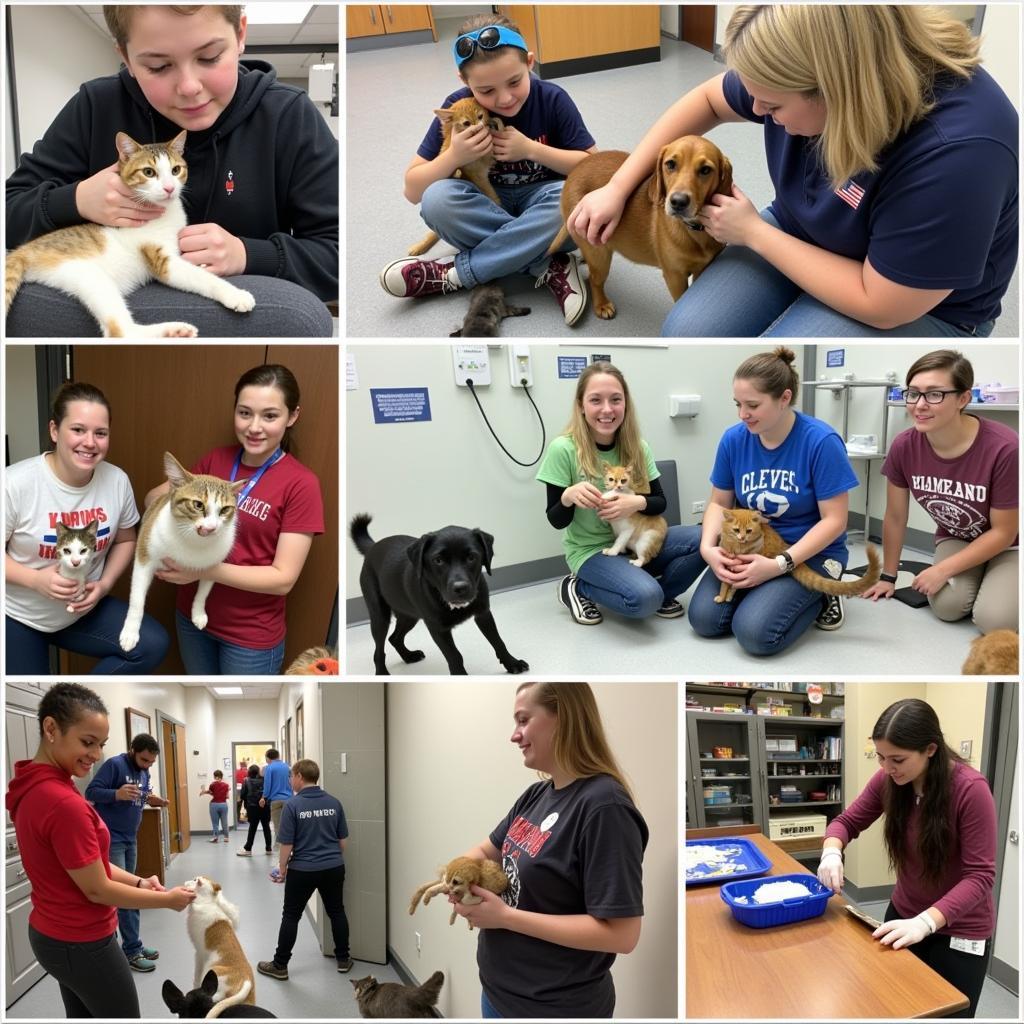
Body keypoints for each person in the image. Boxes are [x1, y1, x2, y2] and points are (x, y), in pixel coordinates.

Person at [568, 5, 1018, 338]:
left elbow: (882, 304)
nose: (757, 112)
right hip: (805, 231)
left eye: (773, 106)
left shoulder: (960, 151)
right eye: (754, 98)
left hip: (914, 304)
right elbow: (707, 101)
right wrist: (619, 184)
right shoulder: (799, 76)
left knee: (779, 360)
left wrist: (754, 234)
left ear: (837, 89)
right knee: (688, 335)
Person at [5, 4, 337, 338]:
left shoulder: (288, 116)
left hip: (241, 315)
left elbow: (337, 253)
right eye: (159, 66)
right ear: (126, 57)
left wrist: (250, 254)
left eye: (208, 57)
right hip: (106, 291)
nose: (189, 87)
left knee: (297, 319)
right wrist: (74, 200)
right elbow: (10, 209)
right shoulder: (95, 106)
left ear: (239, 36)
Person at [379, 13, 597, 326]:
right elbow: (413, 191)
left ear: (530, 63)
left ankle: (455, 272)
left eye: (514, 82)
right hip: (490, 205)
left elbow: (593, 166)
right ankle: (546, 261)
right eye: (486, 91)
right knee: (438, 200)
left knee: (574, 198)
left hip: (542, 200)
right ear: (465, 83)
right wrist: (453, 155)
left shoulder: (553, 99)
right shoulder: (457, 108)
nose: (505, 99)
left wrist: (531, 149)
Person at [450, 682, 647, 1018]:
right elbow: (485, 851)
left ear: (563, 718)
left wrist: (505, 918)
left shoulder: (604, 807)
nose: (515, 735)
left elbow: (622, 935)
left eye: (523, 720)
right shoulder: (536, 795)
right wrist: (455, 879)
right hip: (499, 994)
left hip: (554, 1007)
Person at [5, 683, 195, 1019]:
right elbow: (96, 888)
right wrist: (167, 900)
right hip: (81, 940)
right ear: (51, 729)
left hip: (51, 933)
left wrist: (137, 883)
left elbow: (90, 866)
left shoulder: (34, 784)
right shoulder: (63, 802)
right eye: (87, 742)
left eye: (101, 745)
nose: (95, 754)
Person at [818, 698, 995, 1018]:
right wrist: (832, 851)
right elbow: (845, 823)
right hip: (903, 916)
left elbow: (980, 877)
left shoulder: (971, 790)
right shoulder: (889, 780)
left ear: (930, 749)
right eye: (881, 757)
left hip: (959, 932)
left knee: (947, 1013)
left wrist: (927, 922)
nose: (886, 768)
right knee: (895, 1005)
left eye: (897, 759)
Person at [144, 364, 325, 674]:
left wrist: (201, 568)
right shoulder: (216, 461)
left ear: (292, 416)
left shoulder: (301, 483)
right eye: (245, 413)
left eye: (270, 416)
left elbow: (283, 579)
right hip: (192, 617)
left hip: (250, 636)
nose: (254, 427)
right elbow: (151, 499)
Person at [688, 347, 860, 655]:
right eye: (738, 404)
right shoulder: (734, 439)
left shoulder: (820, 442)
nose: (743, 414)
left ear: (784, 398)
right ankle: (768, 594)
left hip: (807, 555)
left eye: (753, 405)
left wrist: (779, 565)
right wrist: (708, 550)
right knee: (704, 620)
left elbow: (835, 521)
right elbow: (719, 502)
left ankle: (823, 595)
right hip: (751, 547)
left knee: (754, 634)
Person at [5, 381, 169, 674]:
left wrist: (104, 585)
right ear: (55, 431)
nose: (90, 442)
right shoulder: (14, 483)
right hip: (19, 615)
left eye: (100, 433)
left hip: (82, 611)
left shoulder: (117, 481)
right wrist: (34, 580)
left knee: (152, 644)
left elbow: (126, 540)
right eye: (78, 430)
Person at [536, 362, 705, 626]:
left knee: (706, 537)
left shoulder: (637, 447)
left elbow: (659, 502)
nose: (607, 409)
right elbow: (556, 520)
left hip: (634, 537)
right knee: (643, 599)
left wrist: (635, 502)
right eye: (595, 400)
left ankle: (660, 592)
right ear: (581, 404)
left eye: (616, 399)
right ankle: (579, 587)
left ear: (625, 404)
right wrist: (568, 496)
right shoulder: (563, 449)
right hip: (592, 550)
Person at [861, 350, 1018, 634]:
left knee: (994, 621)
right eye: (913, 393)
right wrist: (888, 576)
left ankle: (1002, 577)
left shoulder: (1005, 449)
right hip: (958, 537)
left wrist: (943, 570)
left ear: (963, 399)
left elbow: (1004, 533)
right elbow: (895, 517)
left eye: (934, 394)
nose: (919, 405)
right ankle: (987, 577)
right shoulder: (904, 446)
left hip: (1012, 544)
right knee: (947, 607)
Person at [257, 758, 352, 980]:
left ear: (299, 776)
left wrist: (282, 869)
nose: (290, 780)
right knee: (337, 911)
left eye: (291, 776)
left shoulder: (293, 805)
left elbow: (287, 844)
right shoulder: (334, 803)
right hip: (333, 866)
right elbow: (342, 843)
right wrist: (328, 857)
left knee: (291, 915)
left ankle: (280, 965)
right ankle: (343, 959)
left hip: (303, 869)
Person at [85, 732, 171, 972]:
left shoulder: (144, 771)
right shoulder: (114, 765)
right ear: (133, 750)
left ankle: (133, 945)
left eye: (151, 762)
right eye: (144, 760)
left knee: (133, 891)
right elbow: (91, 792)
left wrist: (152, 799)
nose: (147, 765)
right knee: (122, 895)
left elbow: (138, 796)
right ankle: (129, 952)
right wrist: (116, 794)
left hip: (131, 838)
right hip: (112, 840)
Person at [236, 762, 272, 857]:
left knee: (252, 828)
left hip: (252, 808)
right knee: (266, 827)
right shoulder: (265, 780)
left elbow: (243, 794)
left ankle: (248, 849)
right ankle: (268, 848)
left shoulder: (246, 780)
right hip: (265, 807)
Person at [261, 747, 293, 849]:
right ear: (278, 756)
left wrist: (263, 797)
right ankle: (290, 851)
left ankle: (280, 854)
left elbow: (267, 785)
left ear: (267, 758)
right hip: (289, 800)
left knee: (278, 827)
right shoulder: (287, 767)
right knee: (289, 826)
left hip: (276, 801)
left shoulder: (269, 768)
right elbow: (291, 782)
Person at [200, 770, 231, 842]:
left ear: (215, 776)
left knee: (215, 822)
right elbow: (227, 797)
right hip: (224, 804)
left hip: (214, 805)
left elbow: (212, 793)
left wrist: (204, 792)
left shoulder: (212, 784)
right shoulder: (226, 785)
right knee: (224, 822)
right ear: (221, 776)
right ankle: (226, 838)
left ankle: (215, 838)